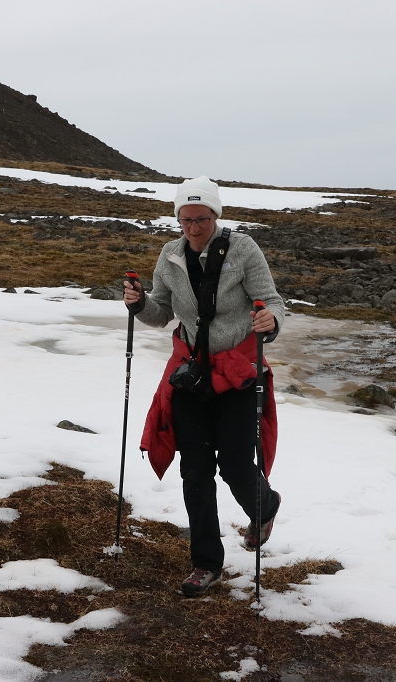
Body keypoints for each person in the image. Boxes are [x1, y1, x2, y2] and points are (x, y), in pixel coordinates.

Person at [123, 175, 284, 597]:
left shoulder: (243, 249)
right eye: (186, 219)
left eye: (202, 219)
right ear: (178, 218)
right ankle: (206, 564)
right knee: (195, 470)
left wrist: (270, 320)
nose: (193, 228)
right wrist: (140, 303)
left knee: (235, 464)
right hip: (191, 374)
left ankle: (265, 505)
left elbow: (272, 301)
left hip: (238, 373)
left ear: (215, 216)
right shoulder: (170, 255)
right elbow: (161, 313)